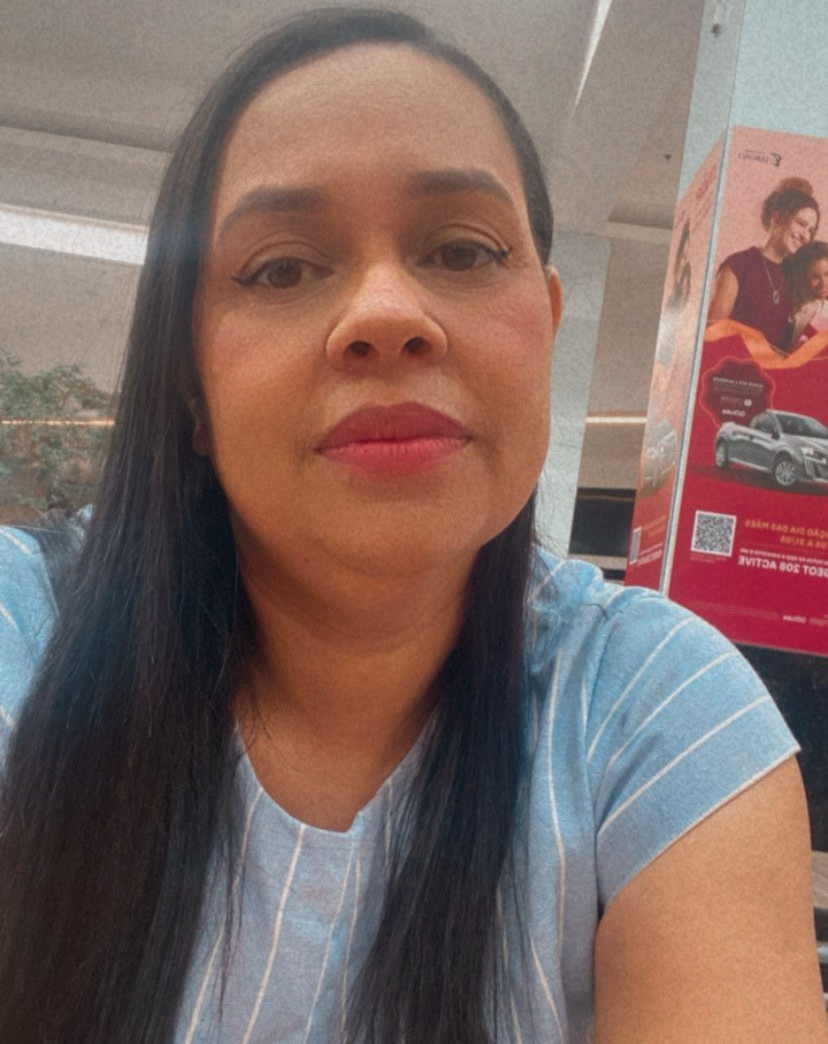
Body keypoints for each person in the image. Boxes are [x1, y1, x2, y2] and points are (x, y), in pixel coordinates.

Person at [0, 10, 824, 1044]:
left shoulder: (655, 711)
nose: (386, 313)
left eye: (463, 250)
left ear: (547, 328)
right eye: (281, 268)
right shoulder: (26, 634)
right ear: (190, 382)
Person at [707, 176, 820, 349]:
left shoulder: (797, 279)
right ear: (776, 218)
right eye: (801, 224)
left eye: (811, 231)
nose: (805, 235)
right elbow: (712, 334)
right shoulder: (739, 265)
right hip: (731, 364)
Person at [783, 240, 828, 349]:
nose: (823, 283)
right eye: (815, 277)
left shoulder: (824, 305)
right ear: (803, 278)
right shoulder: (806, 309)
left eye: (827, 274)